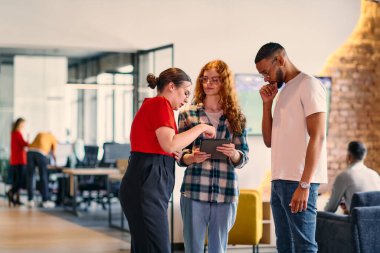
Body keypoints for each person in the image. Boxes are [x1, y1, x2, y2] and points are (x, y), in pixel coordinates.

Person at [119, 67, 216, 253]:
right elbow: (170, 144)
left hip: (146, 181)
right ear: (171, 86)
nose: (187, 98)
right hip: (146, 184)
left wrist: (183, 155)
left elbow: (166, 147)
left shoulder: (157, 107)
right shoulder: (159, 104)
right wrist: (202, 127)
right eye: (185, 92)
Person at [256, 42, 327, 253]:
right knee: (285, 245)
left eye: (266, 72)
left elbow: (319, 136)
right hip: (279, 182)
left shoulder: (309, 85)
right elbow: (269, 141)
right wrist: (267, 104)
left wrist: (304, 185)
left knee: (304, 247)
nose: (266, 78)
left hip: (298, 181)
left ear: (279, 60)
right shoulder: (284, 93)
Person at [178, 60, 249, 253]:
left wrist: (234, 154)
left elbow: (244, 157)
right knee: (193, 248)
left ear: (224, 83)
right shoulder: (188, 114)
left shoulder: (236, 117)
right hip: (194, 190)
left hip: (226, 192)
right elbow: (177, 153)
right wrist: (190, 158)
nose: (208, 83)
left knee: (219, 249)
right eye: (205, 79)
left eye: (215, 80)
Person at [324, 141, 380, 213]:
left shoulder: (344, 176)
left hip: (358, 222)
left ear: (349, 156)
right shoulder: (375, 174)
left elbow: (330, 209)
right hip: (377, 221)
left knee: (319, 216)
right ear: (364, 156)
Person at [27, 131, 57, 208]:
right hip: (41, 153)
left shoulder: (39, 133)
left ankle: (30, 200)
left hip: (30, 152)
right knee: (43, 176)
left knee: (30, 176)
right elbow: (53, 153)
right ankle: (45, 200)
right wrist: (55, 163)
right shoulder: (53, 138)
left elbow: (30, 144)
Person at [8, 118, 29, 206]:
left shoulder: (13, 133)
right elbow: (24, 144)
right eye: (23, 124)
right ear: (20, 124)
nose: (24, 126)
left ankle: (15, 198)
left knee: (17, 180)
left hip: (15, 160)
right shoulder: (17, 133)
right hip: (19, 160)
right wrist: (28, 139)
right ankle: (10, 192)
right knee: (20, 181)